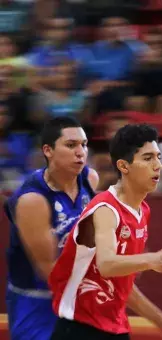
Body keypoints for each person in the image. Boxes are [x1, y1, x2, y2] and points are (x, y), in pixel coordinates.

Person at [49, 124, 162, 340]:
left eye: (158, 157)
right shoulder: (106, 209)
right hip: (79, 326)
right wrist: (152, 259)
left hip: (114, 327)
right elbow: (107, 265)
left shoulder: (142, 211)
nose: (158, 165)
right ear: (123, 166)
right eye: (147, 158)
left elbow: (122, 286)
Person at [5, 116, 99, 340]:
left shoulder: (89, 180)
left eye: (83, 145)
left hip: (75, 292)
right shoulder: (32, 200)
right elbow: (49, 271)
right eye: (70, 145)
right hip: (36, 303)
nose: (80, 152)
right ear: (48, 150)